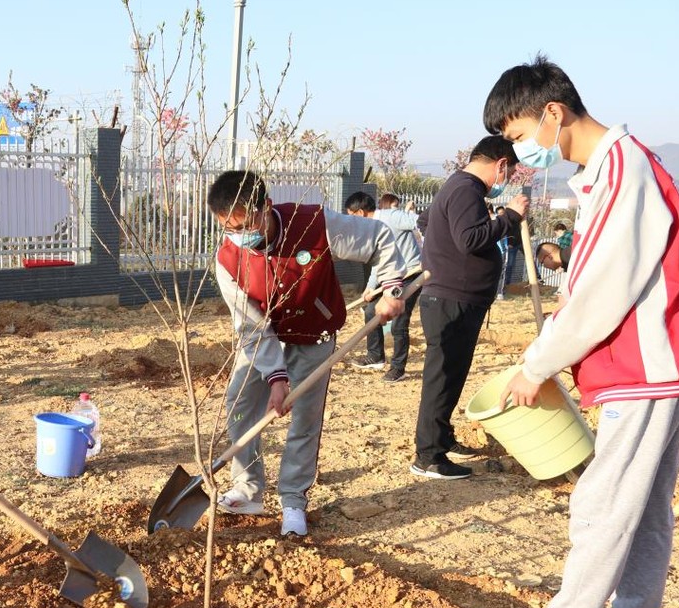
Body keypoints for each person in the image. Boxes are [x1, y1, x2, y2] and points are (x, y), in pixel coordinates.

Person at [468, 55, 679, 608]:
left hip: (646, 365)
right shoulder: (617, 170)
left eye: (518, 135)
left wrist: (535, 364)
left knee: (603, 502)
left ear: (552, 113)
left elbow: (598, 292)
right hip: (660, 366)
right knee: (645, 506)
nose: (519, 150)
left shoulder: (624, 171)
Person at [207, 170, 407, 537]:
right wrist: (276, 378)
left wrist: (392, 287)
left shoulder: (313, 222)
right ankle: (248, 490)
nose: (240, 235)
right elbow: (252, 327)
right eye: (229, 228)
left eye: (245, 224)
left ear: (266, 207)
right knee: (239, 405)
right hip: (262, 339)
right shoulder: (227, 258)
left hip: (314, 334)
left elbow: (378, 237)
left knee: (304, 421)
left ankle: (293, 501)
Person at [411, 136, 527, 480]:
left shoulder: (459, 189)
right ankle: (428, 456)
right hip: (451, 299)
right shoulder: (465, 189)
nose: (505, 180)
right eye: (509, 172)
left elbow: (429, 223)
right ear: (501, 164)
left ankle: (441, 438)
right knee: (442, 377)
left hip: (457, 298)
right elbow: (470, 238)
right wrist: (509, 217)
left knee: (452, 374)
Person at [345, 192, 423, 382]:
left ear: (360, 213)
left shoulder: (392, 217)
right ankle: (375, 356)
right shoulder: (371, 230)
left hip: (411, 274)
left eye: (350, 216)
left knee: (399, 322)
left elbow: (422, 222)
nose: (349, 221)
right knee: (371, 311)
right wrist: (370, 288)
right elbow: (379, 263)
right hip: (390, 277)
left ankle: (398, 368)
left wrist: (431, 250)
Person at [493, 205, 518, 300]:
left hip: (503, 251)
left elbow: (512, 235)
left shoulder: (509, 224)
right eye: (499, 214)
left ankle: (500, 291)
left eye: (503, 213)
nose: (501, 215)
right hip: (494, 251)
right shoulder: (494, 223)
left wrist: (510, 244)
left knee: (503, 271)